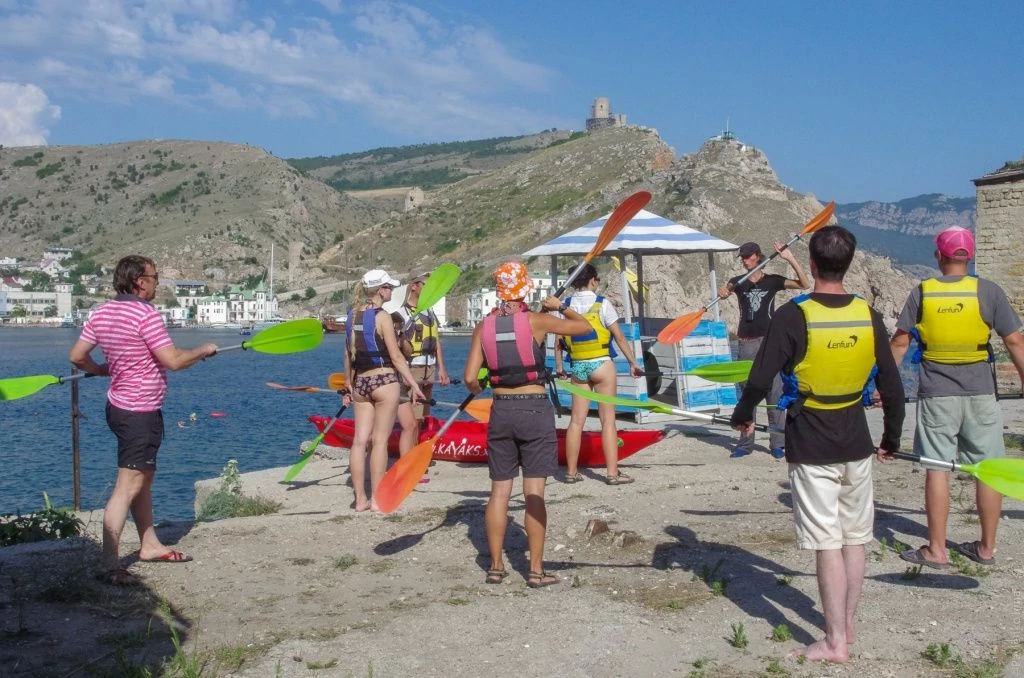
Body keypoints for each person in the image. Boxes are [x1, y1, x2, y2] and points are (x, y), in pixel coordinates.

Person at [731, 226, 904, 663]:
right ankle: (847, 625)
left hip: (810, 442)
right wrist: (891, 438)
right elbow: (892, 385)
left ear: (811, 263)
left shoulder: (793, 315)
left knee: (828, 541)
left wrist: (743, 414)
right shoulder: (868, 314)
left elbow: (760, 377)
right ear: (848, 264)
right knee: (855, 538)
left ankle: (834, 642)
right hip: (857, 441)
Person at [69, 255, 218, 586]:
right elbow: (173, 360)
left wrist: (102, 370)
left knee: (142, 481)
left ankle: (149, 545)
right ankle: (110, 564)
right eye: (154, 278)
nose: (157, 284)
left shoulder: (101, 312)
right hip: (139, 413)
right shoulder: (145, 313)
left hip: (119, 408)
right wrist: (203, 349)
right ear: (139, 281)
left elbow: (77, 356)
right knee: (128, 485)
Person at [889, 226, 1024, 570]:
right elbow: (1015, 342)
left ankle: (937, 550)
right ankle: (986, 548)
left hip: (937, 394)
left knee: (937, 468)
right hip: (981, 393)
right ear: (970, 256)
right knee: (988, 469)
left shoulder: (923, 292)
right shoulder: (988, 291)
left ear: (939, 256)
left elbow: (900, 343)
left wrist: (881, 386)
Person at [464, 261, 590, 587]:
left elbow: (470, 379)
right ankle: (535, 570)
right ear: (524, 290)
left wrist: (482, 385)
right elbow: (585, 327)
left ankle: (495, 567)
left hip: (501, 410)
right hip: (534, 410)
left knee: (499, 492)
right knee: (534, 492)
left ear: (499, 292)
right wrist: (560, 306)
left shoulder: (483, 327)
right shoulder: (537, 320)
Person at [553, 263, 644, 484]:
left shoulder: (565, 307)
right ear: (593, 280)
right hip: (602, 364)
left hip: (578, 366)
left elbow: (558, 341)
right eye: (597, 280)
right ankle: (612, 473)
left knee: (576, 422)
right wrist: (633, 363)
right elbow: (619, 337)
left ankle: (571, 472)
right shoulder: (602, 304)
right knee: (608, 421)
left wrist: (559, 368)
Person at [719, 240, 810, 459]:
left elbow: (804, 284)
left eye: (748, 256)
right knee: (747, 393)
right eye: (742, 257)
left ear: (758, 256)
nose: (745, 261)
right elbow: (725, 291)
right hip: (746, 342)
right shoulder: (737, 282)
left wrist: (790, 258)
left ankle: (777, 442)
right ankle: (745, 443)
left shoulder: (772, 281)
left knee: (775, 391)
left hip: (770, 342)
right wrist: (723, 291)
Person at [345, 269, 425, 512]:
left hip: (360, 383)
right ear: (380, 290)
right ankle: (378, 500)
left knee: (359, 441)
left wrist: (348, 383)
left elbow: (348, 354)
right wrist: (413, 384)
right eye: (388, 287)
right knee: (379, 442)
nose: (391, 290)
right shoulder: (383, 317)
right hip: (384, 381)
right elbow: (397, 357)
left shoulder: (352, 316)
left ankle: (360, 499)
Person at [392, 270, 450, 462]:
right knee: (412, 418)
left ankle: (416, 456)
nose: (429, 288)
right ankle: (410, 460)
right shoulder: (402, 313)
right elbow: (396, 347)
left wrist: (442, 369)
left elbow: (436, 341)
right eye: (425, 284)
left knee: (422, 417)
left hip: (429, 368)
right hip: (411, 369)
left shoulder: (429, 311)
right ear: (414, 286)